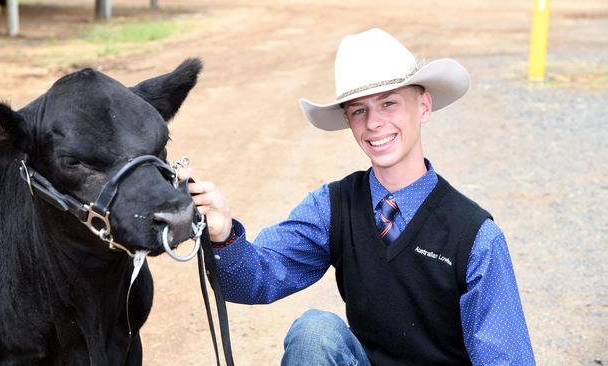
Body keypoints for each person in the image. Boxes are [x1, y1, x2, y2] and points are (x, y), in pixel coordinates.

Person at [188, 28, 536, 365]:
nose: (373, 123)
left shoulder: (475, 236)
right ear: (348, 121)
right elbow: (254, 281)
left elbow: (507, 358)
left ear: (424, 106)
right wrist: (223, 235)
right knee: (314, 332)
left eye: (389, 103)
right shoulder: (332, 206)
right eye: (359, 110)